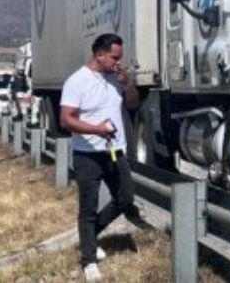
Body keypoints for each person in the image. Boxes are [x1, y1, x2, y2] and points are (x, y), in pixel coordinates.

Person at [60, 33, 142, 281]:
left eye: (120, 57)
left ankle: (89, 236)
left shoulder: (116, 78)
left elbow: (133, 105)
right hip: (87, 155)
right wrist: (96, 129)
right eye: (114, 57)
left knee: (125, 198)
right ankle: (89, 260)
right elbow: (66, 120)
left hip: (115, 152)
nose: (118, 62)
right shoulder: (77, 81)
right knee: (88, 207)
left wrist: (128, 84)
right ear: (99, 55)